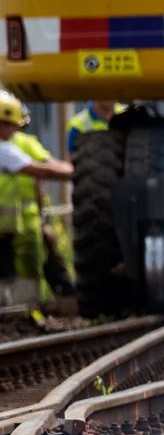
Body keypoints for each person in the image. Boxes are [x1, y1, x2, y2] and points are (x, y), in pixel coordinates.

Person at [0, 91, 74, 306]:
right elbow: (42, 170)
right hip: (16, 225)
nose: (16, 130)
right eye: (13, 124)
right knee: (14, 272)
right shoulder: (5, 149)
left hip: (13, 228)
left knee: (10, 271)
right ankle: (19, 314)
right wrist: (84, 172)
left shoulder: (12, 146)